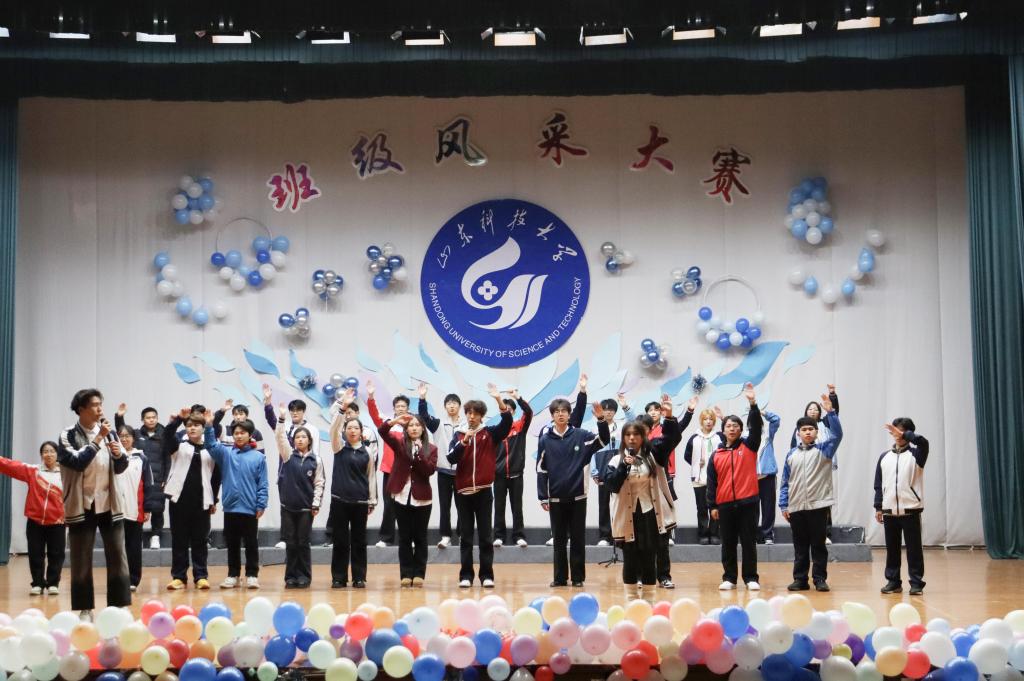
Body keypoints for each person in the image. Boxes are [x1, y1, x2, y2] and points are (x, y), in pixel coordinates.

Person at [57, 388, 131, 618]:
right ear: (81, 409)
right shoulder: (68, 435)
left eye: (101, 404)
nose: (100, 409)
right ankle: (85, 609)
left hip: (109, 502)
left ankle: (118, 607)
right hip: (82, 504)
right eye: (95, 405)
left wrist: (118, 455)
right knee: (81, 557)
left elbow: (122, 466)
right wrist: (99, 440)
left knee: (117, 555)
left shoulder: (109, 432)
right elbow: (77, 462)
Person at [604, 394, 685, 600]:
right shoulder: (615, 460)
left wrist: (669, 417)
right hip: (628, 515)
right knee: (630, 559)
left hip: (650, 513)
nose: (632, 438)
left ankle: (649, 600)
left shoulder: (654, 454)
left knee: (651, 556)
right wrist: (624, 465)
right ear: (623, 438)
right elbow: (612, 485)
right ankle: (631, 600)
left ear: (643, 437)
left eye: (636, 435)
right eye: (628, 435)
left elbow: (672, 439)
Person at [536, 397, 611, 588]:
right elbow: (541, 469)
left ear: (569, 415)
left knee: (578, 539)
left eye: (564, 411)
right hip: (555, 498)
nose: (560, 414)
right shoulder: (545, 440)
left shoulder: (581, 435)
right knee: (559, 541)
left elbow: (603, 440)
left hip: (578, 496)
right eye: (557, 412)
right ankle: (560, 578)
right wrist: (543, 496)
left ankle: (578, 578)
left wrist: (601, 420)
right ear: (552, 416)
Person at [448, 384, 513, 588]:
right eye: (469, 413)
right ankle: (466, 576)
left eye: (475, 413)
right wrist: (464, 442)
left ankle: (486, 575)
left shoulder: (490, 433)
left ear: (482, 416)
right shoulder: (458, 435)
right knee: (466, 537)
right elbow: (451, 458)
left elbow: (507, 423)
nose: (471, 416)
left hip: (484, 492)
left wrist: (498, 399)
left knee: (485, 537)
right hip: (463, 493)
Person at [779, 394, 842, 592]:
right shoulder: (791, 454)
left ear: (816, 432)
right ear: (798, 433)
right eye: (804, 430)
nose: (807, 432)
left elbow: (837, 435)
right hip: (796, 507)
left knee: (818, 545)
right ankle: (800, 579)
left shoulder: (825, 450)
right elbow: (785, 482)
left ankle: (819, 579)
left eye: (811, 429)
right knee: (800, 546)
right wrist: (784, 505)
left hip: (818, 505)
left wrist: (831, 413)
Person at [707, 383, 762, 591]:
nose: (732, 428)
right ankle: (729, 577)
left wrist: (753, 404)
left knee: (749, 542)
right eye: (728, 426)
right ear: (723, 430)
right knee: (728, 543)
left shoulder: (749, 446)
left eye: (736, 426)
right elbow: (711, 483)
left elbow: (756, 428)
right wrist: (712, 505)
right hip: (725, 506)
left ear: (741, 430)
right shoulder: (716, 455)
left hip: (748, 503)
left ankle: (751, 578)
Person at [204, 413, 268, 589]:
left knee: (251, 543)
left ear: (250, 435)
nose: (239, 436)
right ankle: (233, 574)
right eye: (236, 433)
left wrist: (261, 504)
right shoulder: (226, 453)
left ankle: (252, 575)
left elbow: (263, 483)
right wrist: (209, 426)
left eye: (242, 433)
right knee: (232, 543)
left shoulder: (258, 457)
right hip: (231, 507)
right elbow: (210, 445)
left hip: (250, 507)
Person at [162, 408, 220, 591]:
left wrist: (214, 500)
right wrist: (178, 419)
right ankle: (179, 577)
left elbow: (216, 478)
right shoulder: (178, 445)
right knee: (179, 540)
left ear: (203, 428)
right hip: (178, 500)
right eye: (189, 425)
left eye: (196, 425)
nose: (192, 428)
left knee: (200, 540)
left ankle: (201, 576)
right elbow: (167, 434)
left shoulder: (211, 449)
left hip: (202, 501)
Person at [379, 413, 437, 586]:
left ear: (423, 429)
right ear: (406, 429)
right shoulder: (399, 444)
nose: (414, 428)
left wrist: (419, 453)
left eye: (417, 425)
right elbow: (382, 432)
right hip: (401, 496)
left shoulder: (431, 448)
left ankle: (419, 573)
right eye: (410, 425)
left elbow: (429, 471)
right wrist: (394, 421)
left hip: (422, 498)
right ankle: (405, 574)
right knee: (404, 537)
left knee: (420, 537)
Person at [0, 442, 65, 595]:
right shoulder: (33, 471)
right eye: (45, 451)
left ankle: (53, 583)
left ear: (57, 454)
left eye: (52, 451)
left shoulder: (66, 473)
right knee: (35, 553)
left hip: (57, 521)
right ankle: (37, 583)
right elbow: (10, 465)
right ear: (41, 455)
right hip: (35, 521)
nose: (48, 454)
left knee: (57, 554)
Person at [874, 417, 929, 595]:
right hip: (889, 510)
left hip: (910, 510)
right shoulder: (884, 457)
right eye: (895, 431)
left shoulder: (917, 454)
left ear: (909, 433)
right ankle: (893, 582)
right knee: (892, 550)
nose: (897, 434)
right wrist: (878, 507)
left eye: (902, 431)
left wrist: (906, 434)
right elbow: (878, 484)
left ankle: (916, 583)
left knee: (914, 550)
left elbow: (923, 442)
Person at [273, 403, 325, 589]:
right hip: (288, 508)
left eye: (303, 437)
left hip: (306, 509)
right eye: (297, 437)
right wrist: (281, 418)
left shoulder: (316, 460)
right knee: (291, 543)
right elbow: (280, 437)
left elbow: (319, 483)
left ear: (309, 440)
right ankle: (290, 577)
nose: (300, 440)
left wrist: (316, 504)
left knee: (303, 543)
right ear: (293, 441)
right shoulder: (288, 455)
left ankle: (304, 576)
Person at [328, 397, 377, 589]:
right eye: (349, 428)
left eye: (356, 428)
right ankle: (338, 578)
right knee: (340, 541)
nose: (353, 431)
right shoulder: (339, 447)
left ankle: (359, 577)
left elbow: (371, 477)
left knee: (359, 541)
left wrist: (372, 500)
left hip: (360, 503)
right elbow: (333, 430)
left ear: (361, 432)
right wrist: (342, 409)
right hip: (339, 502)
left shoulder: (367, 453)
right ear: (345, 431)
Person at [416, 385, 464, 549]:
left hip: (461, 472)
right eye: (449, 403)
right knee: (445, 505)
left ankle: (462, 535)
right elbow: (423, 416)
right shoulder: (438, 424)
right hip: (443, 471)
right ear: (445, 407)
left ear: (459, 406)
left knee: (462, 506)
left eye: (454, 403)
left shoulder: (465, 425)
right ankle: (445, 536)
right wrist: (422, 398)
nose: (452, 406)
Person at [790, 385, 840, 543]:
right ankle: (807, 533)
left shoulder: (825, 423)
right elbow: (792, 447)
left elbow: (835, 416)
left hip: (821, 462)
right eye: (810, 409)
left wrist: (832, 396)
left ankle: (826, 533)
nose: (813, 411)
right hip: (803, 465)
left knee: (823, 499)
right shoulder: (799, 428)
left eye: (816, 409)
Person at [114, 425, 161, 592]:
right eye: (121, 436)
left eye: (127, 436)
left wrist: (147, 508)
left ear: (133, 438)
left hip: (135, 510)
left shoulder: (142, 458)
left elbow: (149, 484)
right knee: (117, 547)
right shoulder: (113, 457)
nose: (124, 439)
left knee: (133, 547)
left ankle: (133, 579)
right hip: (115, 510)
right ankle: (119, 579)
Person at [115, 404, 167, 549]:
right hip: (139, 476)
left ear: (157, 418)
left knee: (157, 508)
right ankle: (133, 536)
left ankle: (155, 536)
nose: (151, 420)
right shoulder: (137, 434)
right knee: (136, 505)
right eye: (148, 418)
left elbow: (167, 459)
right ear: (142, 419)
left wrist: (166, 478)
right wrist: (119, 417)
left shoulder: (164, 435)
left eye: (154, 417)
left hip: (158, 477)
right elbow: (123, 434)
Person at [643, 399, 682, 588]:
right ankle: (643, 576)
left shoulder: (656, 447)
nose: (637, 435)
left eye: (644, 429)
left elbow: (673, 438)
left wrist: (670, 417)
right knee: (642, 543)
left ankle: (664, 576)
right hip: (638, 504)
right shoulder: (626, 455)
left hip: (658, 502)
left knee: (661, 542)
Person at [367, 383, 409, 547]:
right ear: (394, 409)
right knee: (389, 505)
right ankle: (386, 538)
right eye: (398, 406)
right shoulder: (388, 424)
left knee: (408, 505)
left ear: (407, 408)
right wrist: (371, 397)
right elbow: (374, 414)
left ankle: (409, 538)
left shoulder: (413, 425)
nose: (400, 408)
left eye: (403, 406)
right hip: (390, 470)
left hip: (407, 472)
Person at [590, 394, 634, 547]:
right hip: (602, 468)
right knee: (603, 504)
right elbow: (591, 452)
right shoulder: (594, 429)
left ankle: (621, 533)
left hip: (619, 469)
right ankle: (604, 536)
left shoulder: (621, 427)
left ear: (615, 412)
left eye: (611, 410)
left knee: (621, 503)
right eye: (605, 409)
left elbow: (633, 422)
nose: (608, 412)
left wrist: (625, 406)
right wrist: (594, 471)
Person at [493, 390, 533, 548]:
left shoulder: (520, 427)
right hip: (499, 475)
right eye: (505, 409)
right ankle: (499, 536)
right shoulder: (496, 430)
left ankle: (519, 536)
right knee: (499, 507)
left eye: (510, 409)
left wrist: (518, 397)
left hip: (516, 475)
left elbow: (528, 412)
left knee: (517, 508)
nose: (508, 411)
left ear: (514, 411)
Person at [683, 409, 721, 545]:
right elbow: (687, 455)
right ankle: (703, 534)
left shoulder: (719, 437)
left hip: (716, 479)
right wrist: (696, 463)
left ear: (714, 421)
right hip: (698, 479)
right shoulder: (694, 438)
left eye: (711, 419)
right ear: (701, 421)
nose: (708, 421)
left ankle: (715, 534)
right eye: (705, 419)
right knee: (702, 507)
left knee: (715, 507)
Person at [757, 411, 782, 544]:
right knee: (751, 509)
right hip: (751, 478)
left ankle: (767, 535)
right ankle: (754, 535)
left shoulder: (767, 433)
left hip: (767, 476)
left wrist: (763, 412)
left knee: (768, 507)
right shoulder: (744, 436)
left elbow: (776, 420)